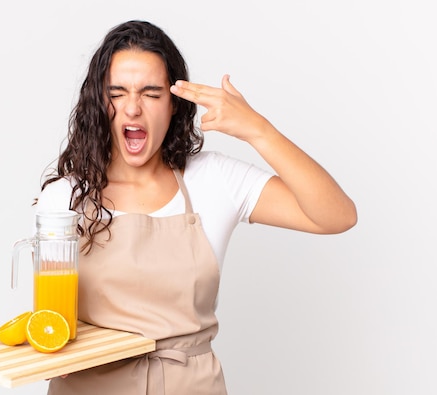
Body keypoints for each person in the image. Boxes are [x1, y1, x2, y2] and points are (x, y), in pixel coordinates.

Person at [34, 20, 357, 395]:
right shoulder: (65, 198)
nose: (133, 108)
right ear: (98, 101)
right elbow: (53, 318)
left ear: (175, 106)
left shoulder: (214, 180)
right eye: (117, 93)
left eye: (151, 94)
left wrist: (258, 130)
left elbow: (337, 215)